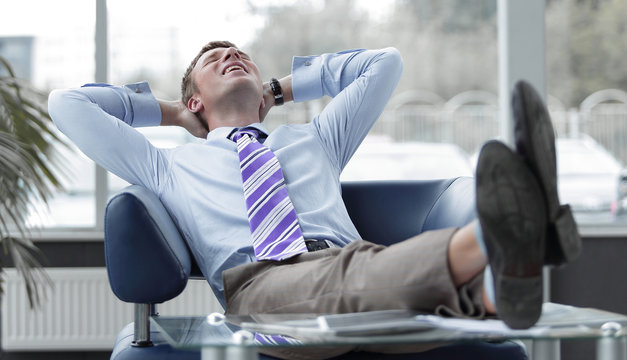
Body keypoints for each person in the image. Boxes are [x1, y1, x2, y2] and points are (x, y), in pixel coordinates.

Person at [48, 41, 579, 359]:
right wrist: (173, 114)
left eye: (242, 56)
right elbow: (67, 104)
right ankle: (502, 238)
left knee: (363, 275)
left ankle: (493, 285)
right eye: (217, 60)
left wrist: (278, 90)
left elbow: (384, 64)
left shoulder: (315, 139)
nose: (234, 56)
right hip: (263, 289)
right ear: (194, 99)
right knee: (355, 272)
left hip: (358, 269)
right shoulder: (168, 164)